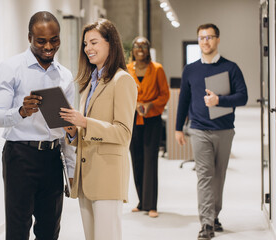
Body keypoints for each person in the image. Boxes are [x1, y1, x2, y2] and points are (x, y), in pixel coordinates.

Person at [0, 11, 76, 240]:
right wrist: (20, 112)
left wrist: (71, 170)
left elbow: (67, 131)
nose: (49, 46)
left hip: (52, 158)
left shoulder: (65, 76)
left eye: (54, 39)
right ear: (29, 38)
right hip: (20, 157)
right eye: (41, 41)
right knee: (18, 230)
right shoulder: (11, 68)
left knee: (50, 230)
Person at [59, 19, 137, 240]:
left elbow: (123, 133)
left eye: (93, 42)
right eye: (85, 44)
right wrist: (73, 131)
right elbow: (87, 130)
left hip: (108, 176)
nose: (87, 49)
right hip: (87, 177)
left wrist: (85, 122)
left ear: (110, 44)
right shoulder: (89, 84)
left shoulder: (122, 81)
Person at [175, 23, 248, 240]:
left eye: (209, 37)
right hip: (199, 130)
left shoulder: (231, 68)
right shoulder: (190, 69)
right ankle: (206, 223)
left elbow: (243, 97)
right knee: (204, 176)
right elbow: (183, 101)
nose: (205, 41)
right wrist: (179, 128)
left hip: (224, 130)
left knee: (219, 176)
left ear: (217, 40)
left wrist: (219, 100)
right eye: (201, 37)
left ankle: (215, 215)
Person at [127, 36, 170, 218]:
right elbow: (123, 94)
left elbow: (164, 94)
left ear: (148, 49)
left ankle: (152, 205)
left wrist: (151, 104)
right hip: (133, 119)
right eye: (137, 46)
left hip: (152, 119)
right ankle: (141, 202)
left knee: (150, 159)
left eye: (144, 46)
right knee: (136, 159)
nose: (140, 49)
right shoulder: (127, 70)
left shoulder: (157, 69)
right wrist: (134, 104)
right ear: (133, 50)